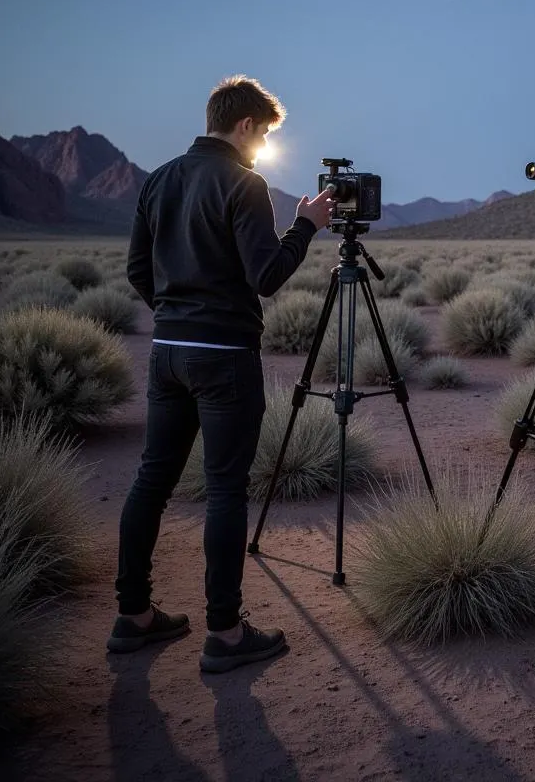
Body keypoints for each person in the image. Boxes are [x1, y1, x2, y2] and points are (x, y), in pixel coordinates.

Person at [108, 75, 334, 673]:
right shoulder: (244, 183)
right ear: (245, 126)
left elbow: (137, 269)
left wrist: (176, 312)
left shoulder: (159, 180)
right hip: (225, 358)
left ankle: (132, 617)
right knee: (226, 490)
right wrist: (307, 225)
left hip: (168, 353)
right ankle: (226, 634)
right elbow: (266, 275)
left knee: (151, 481)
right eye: (262, 135)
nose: (261, 147)